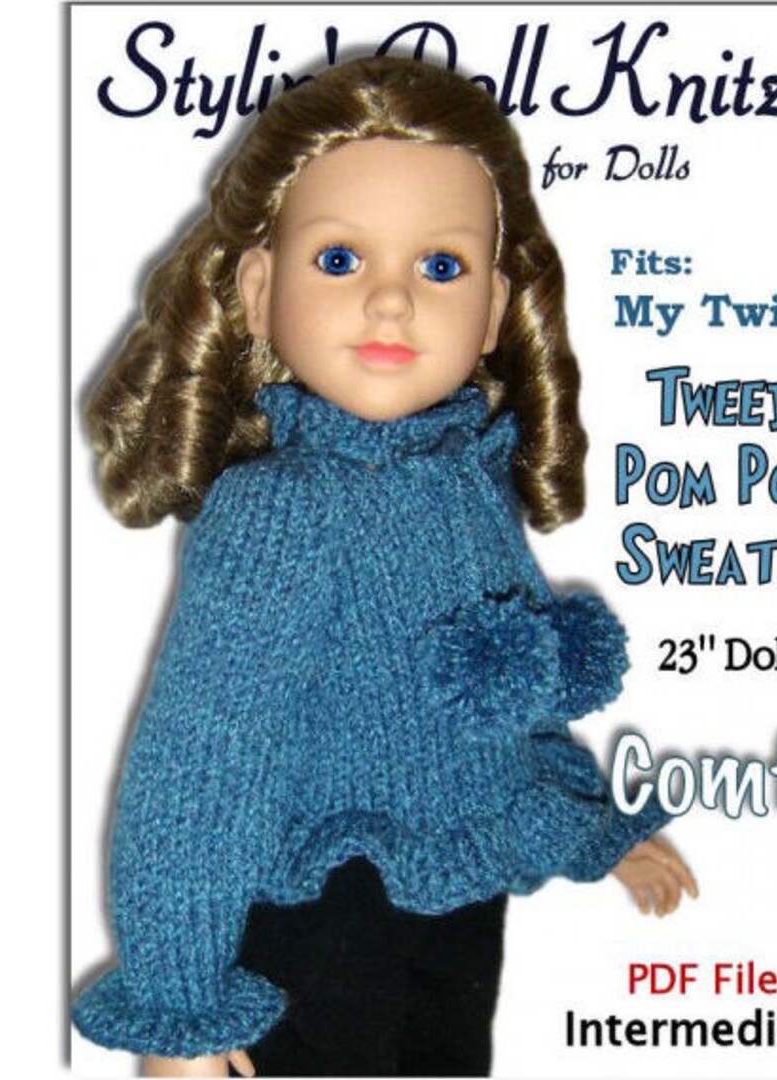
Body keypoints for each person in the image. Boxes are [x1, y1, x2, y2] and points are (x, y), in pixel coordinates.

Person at [73, 56, 697, 1078]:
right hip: (321, 918)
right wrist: (182, 1004)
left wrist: (590, 830)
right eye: (340, 260)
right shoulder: (280, 512)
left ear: (493, 311)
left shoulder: (471, 491)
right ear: (261, 291)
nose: (393, 302)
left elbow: (508, 716)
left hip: (458, 904)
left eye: (441, 267)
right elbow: (202, 767)